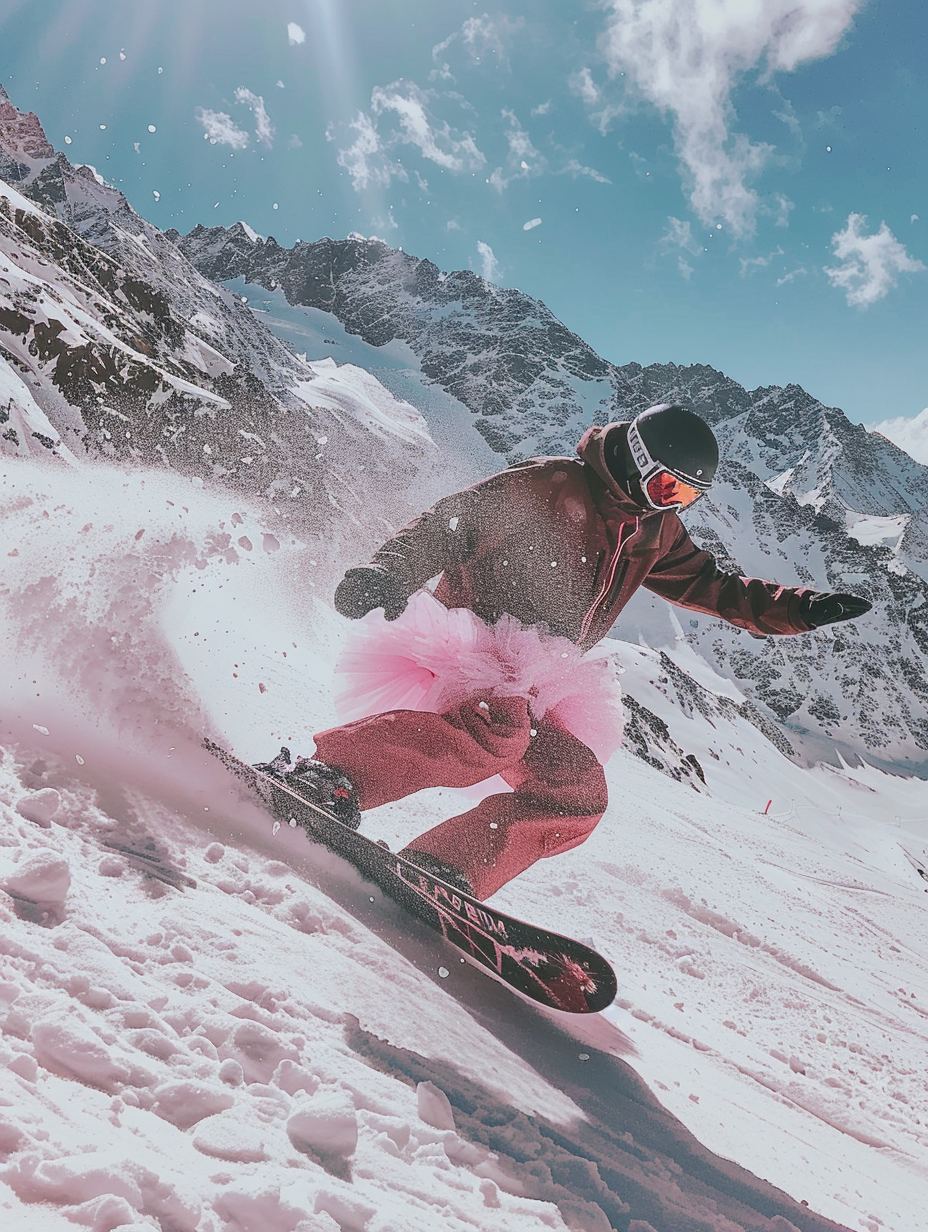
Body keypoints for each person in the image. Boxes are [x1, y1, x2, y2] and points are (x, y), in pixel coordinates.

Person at [260, 404, 872, 900]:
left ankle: (447, 869)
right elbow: (453, 523)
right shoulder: (549, 485)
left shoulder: (653, 527)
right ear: (636, 458)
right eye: (664, 485)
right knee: (497, 733)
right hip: (471, 640)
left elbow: (715, 586)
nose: (667, 504)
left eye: (683, 499)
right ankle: (328, 777)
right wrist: (388, 574)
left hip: (542, 673)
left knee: (577, 792)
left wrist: (798, 609)